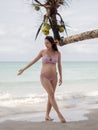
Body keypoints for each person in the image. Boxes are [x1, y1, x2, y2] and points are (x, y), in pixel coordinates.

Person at [17, 36, 66, 123]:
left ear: (52, 43)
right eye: (45, 43)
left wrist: (61, 77)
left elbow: (59, 65)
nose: (46, 44)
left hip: (54, 77)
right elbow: (33, 61)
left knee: (51, 96)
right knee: (51, 94)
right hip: (44, 77)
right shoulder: (42, 52)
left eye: (47, 43)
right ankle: (59, 114)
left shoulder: (58, 53)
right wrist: (23, 69)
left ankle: (47, 115)